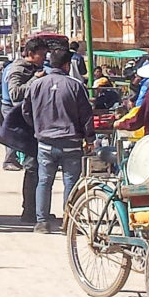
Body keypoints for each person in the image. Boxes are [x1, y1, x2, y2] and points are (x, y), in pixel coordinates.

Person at [24, 46, 93, 233]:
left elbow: (26, 111)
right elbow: (86, 115)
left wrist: (38, 128)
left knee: (44, 181)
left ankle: (42, 222)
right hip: (71, 142)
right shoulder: (75, 86)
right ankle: (68, 223)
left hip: (45, 142)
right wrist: (90, 139)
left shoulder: (36, 85)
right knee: (70, 182)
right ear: (66, 65)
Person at [0, 38, 50, 219]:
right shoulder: (19, 69)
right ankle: (29, 211)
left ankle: (36, 209)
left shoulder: (36, 69)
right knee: (31, 167)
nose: (44, 58)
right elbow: (15, 95)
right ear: (30, 54)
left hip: (36, 122)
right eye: (42, 55)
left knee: (38, 167)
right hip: (24, 124)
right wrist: (33, 81)